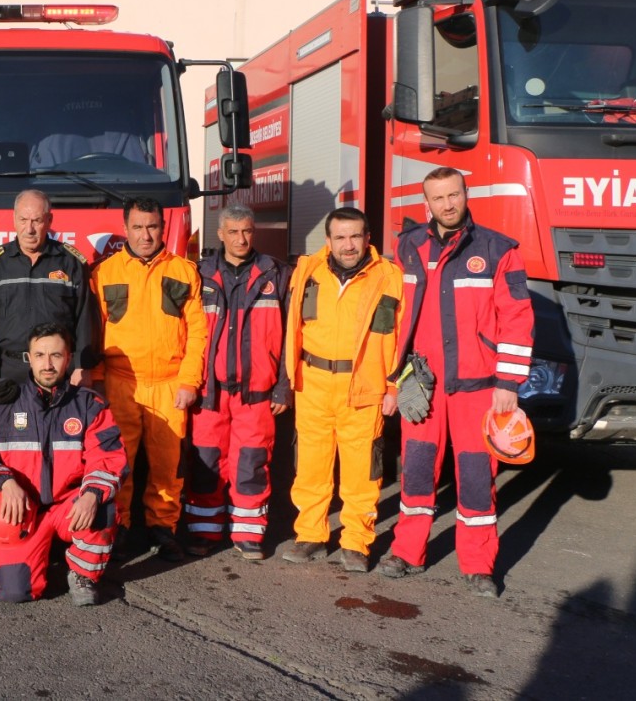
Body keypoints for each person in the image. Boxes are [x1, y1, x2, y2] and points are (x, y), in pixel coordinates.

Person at [379, 168, 535, 598]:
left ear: (466, 194)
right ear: (425, 204)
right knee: (415, 471)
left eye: (454, 195)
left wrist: (509, 382)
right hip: (421, 384)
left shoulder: (498, 250)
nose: (447, 204)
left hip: (479, 386)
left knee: (474, 476)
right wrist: (395, 377)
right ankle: (407, 553)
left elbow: (518, 320)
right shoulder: (408, 247)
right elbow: (393, 316)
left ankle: (479, 565)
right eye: (437, 198)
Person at [281, 207, 404, 573]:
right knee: (311, 468)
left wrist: (394, 386)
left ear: (368, 238)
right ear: (329, 241)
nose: (348, 245)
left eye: (355, 237)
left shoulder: (389, 277)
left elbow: (402, 338)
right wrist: (289, 381)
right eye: (340, 237)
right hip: (313, 383)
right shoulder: (308, 271)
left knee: (361, 472)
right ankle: (311, 536)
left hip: (364, 387)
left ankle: (356, 542)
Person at [89, 197, 207, 561]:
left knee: (167, 465)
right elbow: (94, 331)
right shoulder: (104, 273)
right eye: (138, 227)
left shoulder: (185, 271)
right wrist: (97, 385)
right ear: (125, 229)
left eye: (153, 226)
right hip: (120, 383)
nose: (145, 234)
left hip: (170, 384)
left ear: (164, 228)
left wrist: (189, 382)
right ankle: (118, 526)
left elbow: (198, 331)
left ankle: (163, 528)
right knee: (119, 461)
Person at [0, 324, 127, 606]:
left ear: (68, 358)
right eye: (40, 355)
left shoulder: (89, 405)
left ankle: (83, 573)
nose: (47, 364)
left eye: (56, 355)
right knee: (13, 593)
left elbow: (108, 457)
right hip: (23, 507)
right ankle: (35, 554)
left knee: (104, 506)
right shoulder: (1, 404)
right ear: (29, 358)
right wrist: (4, 482)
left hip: (67, 506)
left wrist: (92, 494)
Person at [185, 203, 291, 560]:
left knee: (251, 461)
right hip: (209, 393)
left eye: (247, 231)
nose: (241, 238)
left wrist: (283, 386)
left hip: (256, 393)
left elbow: (294, 335)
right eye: (233, 232)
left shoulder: (275, 273)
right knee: (206, 462)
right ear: (220, 234)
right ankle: (204, 530)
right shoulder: (199, 275)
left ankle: (249, 533)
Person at [0, 189, 98, 384]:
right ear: (13, 219)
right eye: (23, 220)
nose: (29, 229)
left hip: (57, 371)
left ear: (49, 220)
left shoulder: (70, 262)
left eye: (36, 220)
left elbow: (86, 319)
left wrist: (82, 366)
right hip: (8, 371)